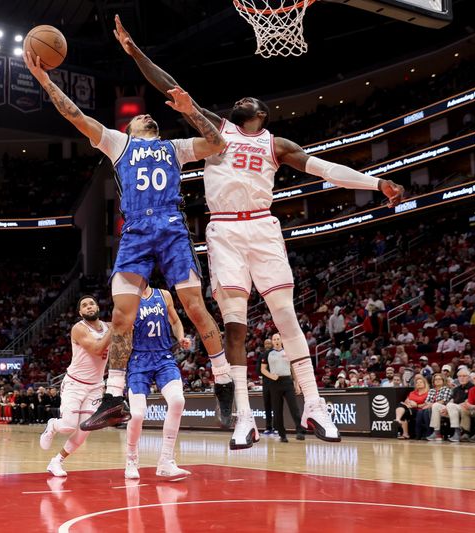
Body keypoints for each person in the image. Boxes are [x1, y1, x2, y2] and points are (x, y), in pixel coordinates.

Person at [112, 15, 404, 448]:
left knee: (285, 315)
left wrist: (375, 182)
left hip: (263, 227)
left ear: (262, 116)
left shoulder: (277, 144)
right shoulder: (216, 129)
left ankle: (314, 405)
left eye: (253, 98)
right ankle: (245, 418)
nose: (245, 98)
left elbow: (326, 170)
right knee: (234, 324)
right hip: (225, 230)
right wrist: (136, 52)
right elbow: (168, 85)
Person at [23, 50, 234, 433]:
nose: (146, 115)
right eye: (140, 115)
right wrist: (44, 81)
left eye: (150, 116)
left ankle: (223, 380)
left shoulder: (177, 148)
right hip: (136, 231)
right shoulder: (118, 144)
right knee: (121, 316)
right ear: (131, 126)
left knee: (195, 308)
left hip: (171, 228)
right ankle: (113, 396)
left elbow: (218, 143)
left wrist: (190, 110)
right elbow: (75, 115)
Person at [39, 295, 112, 477]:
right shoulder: (79, 329)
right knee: (68, 427)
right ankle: (53, 425)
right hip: (75, 384)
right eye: (84, 305)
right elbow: (97, 348)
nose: (88, 307)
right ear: (80, 313)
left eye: (91, 303)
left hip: (95, 386)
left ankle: (57, 461)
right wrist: (116, 329)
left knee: (84, 430)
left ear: (97, 307)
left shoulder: (109, 326)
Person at [124, 286, 192, 479]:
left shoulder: (163, 295)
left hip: (164, 357)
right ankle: (131, 459)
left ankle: (166, 461)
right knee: (137, 414)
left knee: (178, 401)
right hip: (139, 359)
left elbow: (176, 321)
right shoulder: (127, 299)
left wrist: (180, 337)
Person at [260, 333, 305, 443]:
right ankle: (282, 435)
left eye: (278, 339)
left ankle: (300, 431)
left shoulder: (288, 352)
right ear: (272, 341)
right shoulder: (268, 354)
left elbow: (293, 369)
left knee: (294, 408)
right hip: (274, 384)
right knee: (277, 410)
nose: (276, 340)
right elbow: (263, 369)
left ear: (281, 340)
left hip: (287, 382)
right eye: (274, 339)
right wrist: (271, 376)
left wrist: (297, 384)